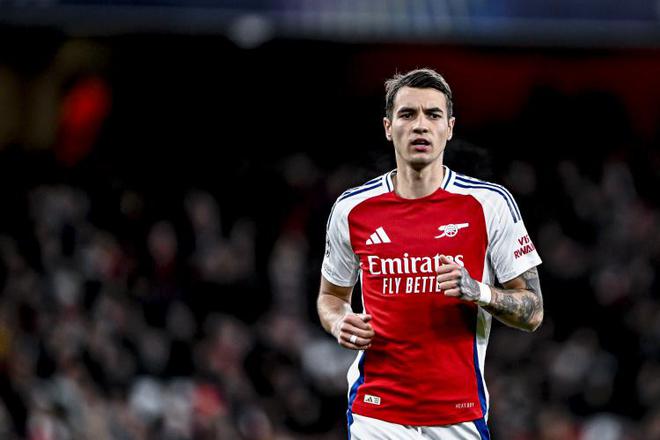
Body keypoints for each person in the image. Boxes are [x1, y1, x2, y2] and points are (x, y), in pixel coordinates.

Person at [317, 68, 543, 440]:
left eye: (433, 115)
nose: (420, 125)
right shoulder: (352, 209)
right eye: (407, 114)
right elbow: (331, 296)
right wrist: (339, 321)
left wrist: (479, 291)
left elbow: (533, 311)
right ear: (388, 127)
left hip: (459, 415)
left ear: (449, 128)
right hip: (376, 413)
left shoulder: (490, 204)